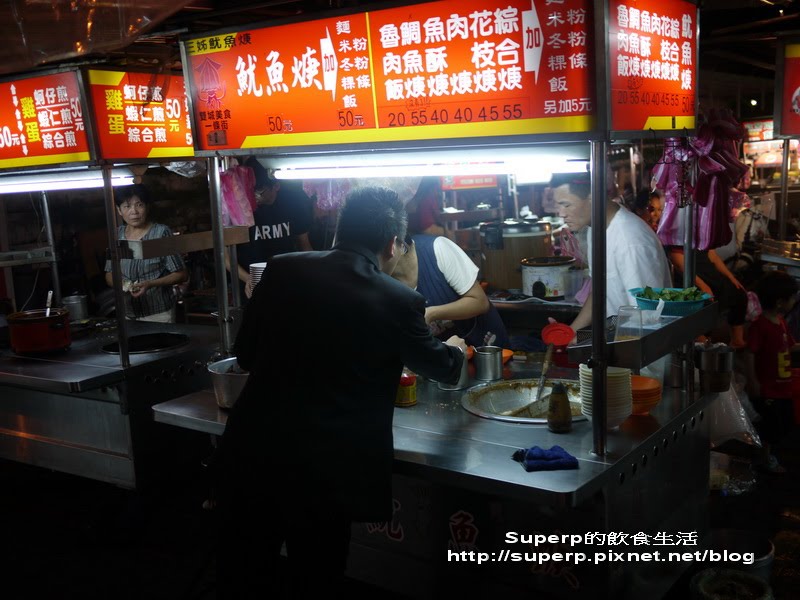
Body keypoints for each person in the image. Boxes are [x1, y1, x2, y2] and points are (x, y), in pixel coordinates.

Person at [214, 186, 466, 599]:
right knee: (316, 580)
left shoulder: (281, 269)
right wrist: (455, 352)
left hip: (250, 456)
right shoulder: (398, 299)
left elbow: (245, 355)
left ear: (339, 231)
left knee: (243, 577)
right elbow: (443, 369)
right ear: (392, 243)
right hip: (322, 477)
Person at [550, 172, 672, 336]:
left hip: (642, 349)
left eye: (566, 205)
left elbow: (649, 315)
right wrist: (571, 333)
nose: (561, 214)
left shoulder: (630, 241)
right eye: (558, 206)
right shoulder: (596, 229)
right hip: (617, 341)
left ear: (593, 198)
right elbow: (600, 290)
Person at [392, 233, 510, 348]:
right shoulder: (381, 278)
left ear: (400, 246)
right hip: (443, 358)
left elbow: (480, 302)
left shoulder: (437, 249)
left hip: (484, 347)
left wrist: (430, 313)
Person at [226, 157, 313, 297]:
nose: (255, 197)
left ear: (276, 186)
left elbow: (304, 244)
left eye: (260, 191)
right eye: (251, 190)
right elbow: (226, 257)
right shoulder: (237, 205)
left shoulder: (293, 202)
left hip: (287, 281)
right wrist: (249, 278)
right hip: (251, 287)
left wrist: (312, 275)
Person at [104, 184, 187, 323]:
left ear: (147, 207)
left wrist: (150, 284)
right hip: (127, 313)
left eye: (139, 205)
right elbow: (109, 273)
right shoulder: (117, 235)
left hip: (159, 313)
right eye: (127, 206)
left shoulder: (161, 232)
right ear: (119, 210)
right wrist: (124, 285)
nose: (134, 212)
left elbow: (181, 275)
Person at [744, 270, 799, 473]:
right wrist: (753, 381)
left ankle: (766, 453)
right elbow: (750, 353)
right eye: (792, 298)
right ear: (779, 302)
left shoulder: (781, 322)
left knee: (784, 423)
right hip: (768, 388)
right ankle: (764, 458)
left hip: (782, 386)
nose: (794, 301)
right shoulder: (761, 326)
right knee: (771, 426)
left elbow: (789, 346)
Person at [666, 247, 748, 347]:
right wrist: (702, 285)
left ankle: (737, 340)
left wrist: (731, 277)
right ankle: (702, 345)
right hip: (690, 279)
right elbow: (678, 262)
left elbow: (713, 256)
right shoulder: (675, 236)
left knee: (739, 293)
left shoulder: (702, 233)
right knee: (706, 305)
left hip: (710, 274)